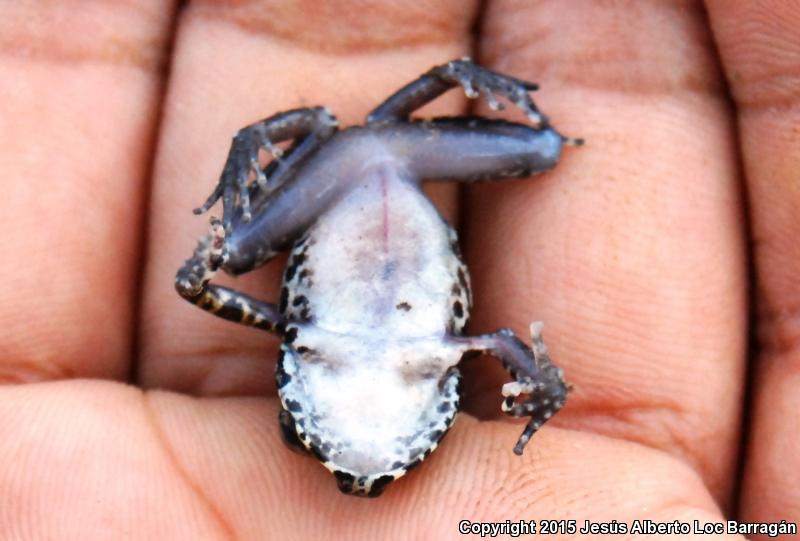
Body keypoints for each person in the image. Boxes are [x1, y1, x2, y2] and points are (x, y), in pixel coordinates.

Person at [0, 1, 796, 539]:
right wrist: (542, 389)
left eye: (325, 460)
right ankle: (423, 89)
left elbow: (195, 283)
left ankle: (310, 127)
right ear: (432, 420)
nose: (358, 484)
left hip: (337, 177)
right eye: (375, 482)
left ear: (295, 405)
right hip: (397, 167)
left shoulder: (300, 335)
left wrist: (236, 213)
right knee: (543, 148)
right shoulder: (448, 357)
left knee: (530, 151)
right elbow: (508, 343)